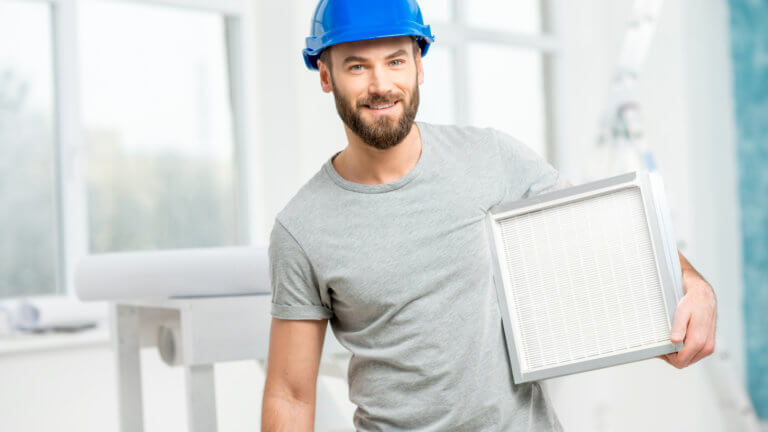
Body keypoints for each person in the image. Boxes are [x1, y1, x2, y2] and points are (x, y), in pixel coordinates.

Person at [261, 1, 718, 430]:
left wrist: (690, 283)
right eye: (357, 65)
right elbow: (290, 394)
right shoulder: (303, 229)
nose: (381, 84)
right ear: (325, 74)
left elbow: (602, 229)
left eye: (395, 60)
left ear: (419, 64)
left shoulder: (490, 158)